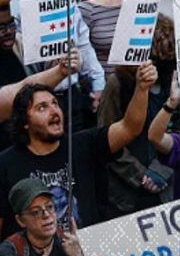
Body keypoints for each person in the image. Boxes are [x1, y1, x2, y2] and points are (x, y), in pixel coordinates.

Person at [0, 62, 158, 235]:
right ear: (24, 123)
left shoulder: (84, 144)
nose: (54, 111)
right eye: (42, 108)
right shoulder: (6, 164)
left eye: (55, 103)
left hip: (88, 252)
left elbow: (130, 128)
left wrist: (142, 88)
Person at [97, 17, 175, 215]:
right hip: (124, 194)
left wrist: (160, 171)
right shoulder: (119, 84)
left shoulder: (174, 83)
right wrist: (140, 175)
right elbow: (105, 136)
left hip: (167, 187)